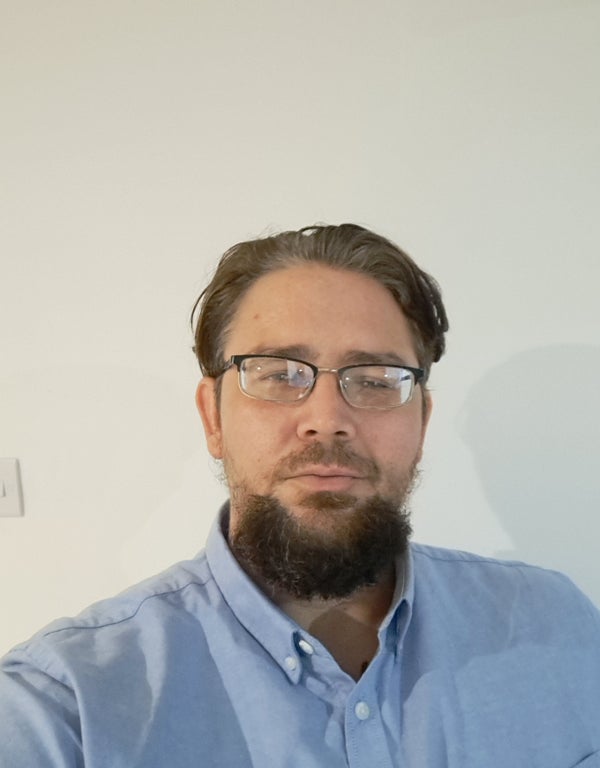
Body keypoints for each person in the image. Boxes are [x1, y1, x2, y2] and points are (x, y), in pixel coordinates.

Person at [1, 223, 599, 767]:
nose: (327, 420)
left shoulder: (561, 628)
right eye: (280, 374)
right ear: (213, 417)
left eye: (375, 380)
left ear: (421, 422)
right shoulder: (66, 708)